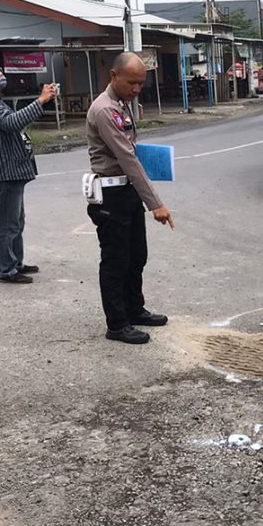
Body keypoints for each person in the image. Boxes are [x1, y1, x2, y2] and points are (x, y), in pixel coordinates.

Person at [85, 52, 176, 345]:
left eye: (141, 83)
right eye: (132, 83)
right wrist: (156, 204)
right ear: (114, 76)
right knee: (116, 260)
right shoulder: (104, 110)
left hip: (128, 191)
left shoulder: (122, 104)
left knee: (137, 256)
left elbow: (131, 150)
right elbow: (126, 157)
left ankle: (135, 309)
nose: (137, 90)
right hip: (111, 194)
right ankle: (117, 323)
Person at [0, 53, 56, 284]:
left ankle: (16, 261)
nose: (1, 74)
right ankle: (7, 269)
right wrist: (40, 101)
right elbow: (12, 123)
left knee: (17, 220)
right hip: (4, 171)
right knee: (8, 223)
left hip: (13, 170)